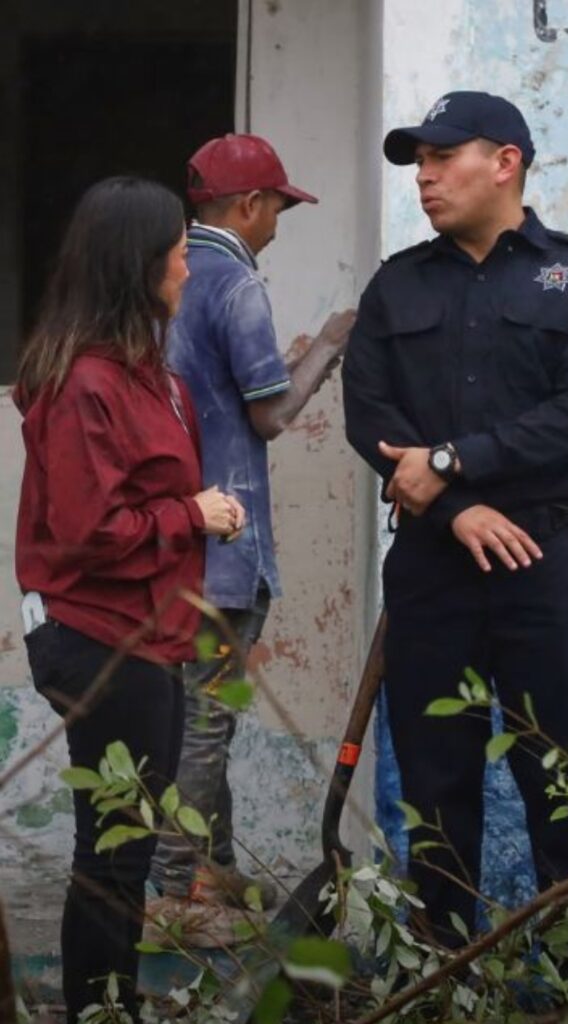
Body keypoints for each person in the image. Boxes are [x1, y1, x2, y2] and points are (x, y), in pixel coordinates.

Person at [342, 91, 568, 949]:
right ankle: (443, 984)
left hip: (545, 561)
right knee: (434, 798)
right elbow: (369, 417)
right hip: (433, 568)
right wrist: (455, 509)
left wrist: (448, 463)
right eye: (418, 163)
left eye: (442, 157)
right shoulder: (398, 284)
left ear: (504, 162)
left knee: (566, 792)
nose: (424, 177)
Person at [15, 176, 244, 1022]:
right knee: (113, 853)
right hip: (103, 637)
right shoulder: (86, 383)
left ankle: (108, 1006)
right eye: (179, 254)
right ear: (138, 265)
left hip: (148, 635)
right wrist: (191, 514)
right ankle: (100, 1010)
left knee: (128, 846)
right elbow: (88, 530)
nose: (188, 268)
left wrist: (196, 512)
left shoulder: (147, 374)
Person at [147, 134, 355, 928]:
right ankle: (176, 888)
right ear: (248, 205)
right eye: (276, 210)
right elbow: (269, 415)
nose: (275, 226)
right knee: (207, 723)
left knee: (199, 711)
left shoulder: (161, 272)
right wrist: (329, 343)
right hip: (225, 546)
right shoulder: (235, 283)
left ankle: (216, 866)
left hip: (170, 538)